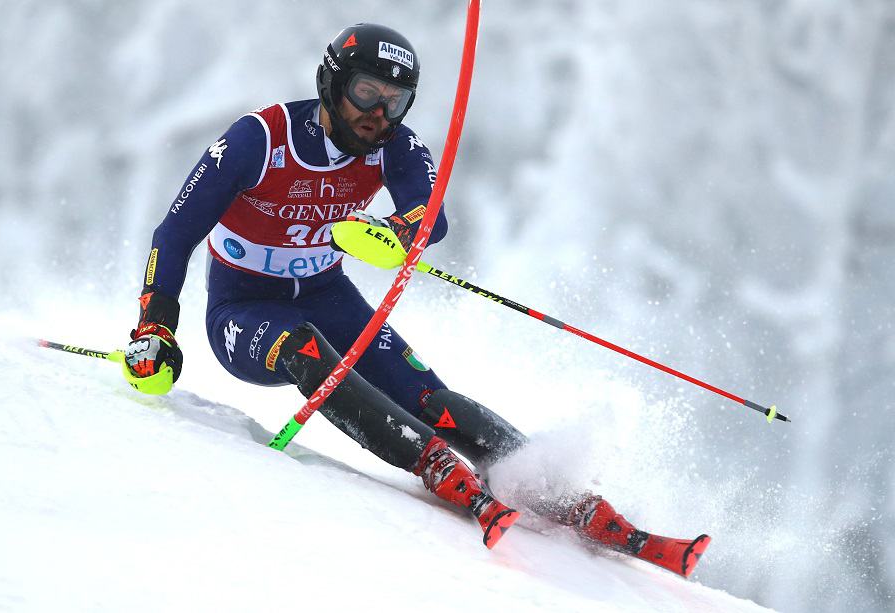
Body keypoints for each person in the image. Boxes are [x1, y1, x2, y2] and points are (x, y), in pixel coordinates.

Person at [123, 22, 710, 572]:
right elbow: (174, 235)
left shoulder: (394, 147)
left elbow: (433, 216)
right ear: (332, 82)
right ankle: (434, 466)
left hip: (330, 294)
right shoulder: (261, 138)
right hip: (246, 306)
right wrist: (157, 325)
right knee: (306, 353)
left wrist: (405, 230)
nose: (378, 114)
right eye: (366, 92)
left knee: (431, 396)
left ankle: (573, 500)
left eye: (395, 101)